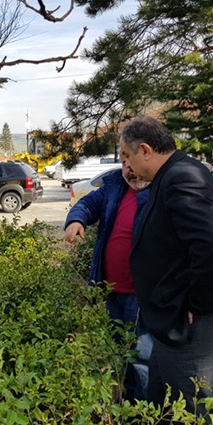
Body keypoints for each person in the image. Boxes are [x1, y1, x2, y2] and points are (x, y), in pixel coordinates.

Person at [119, 116, 213, 415]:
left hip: (196, 329)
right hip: (173, 328)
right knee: (162, 413)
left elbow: (212, 244)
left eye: (127, 155)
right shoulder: (171, 175)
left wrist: (200, 304)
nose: (126, 165)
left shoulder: (181, 177)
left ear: (145, 150)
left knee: (197, 421)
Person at [64, 164, 152, 402]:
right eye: (123, 161)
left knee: (141, 358)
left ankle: (141, 415)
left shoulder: (161, 190)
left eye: (132, 159)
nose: (129, 169)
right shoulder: (115, 185)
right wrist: (76, 220)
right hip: (113, 291)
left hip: (141, 295)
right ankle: (124, 406)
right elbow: (87, 204)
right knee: (119, 353)